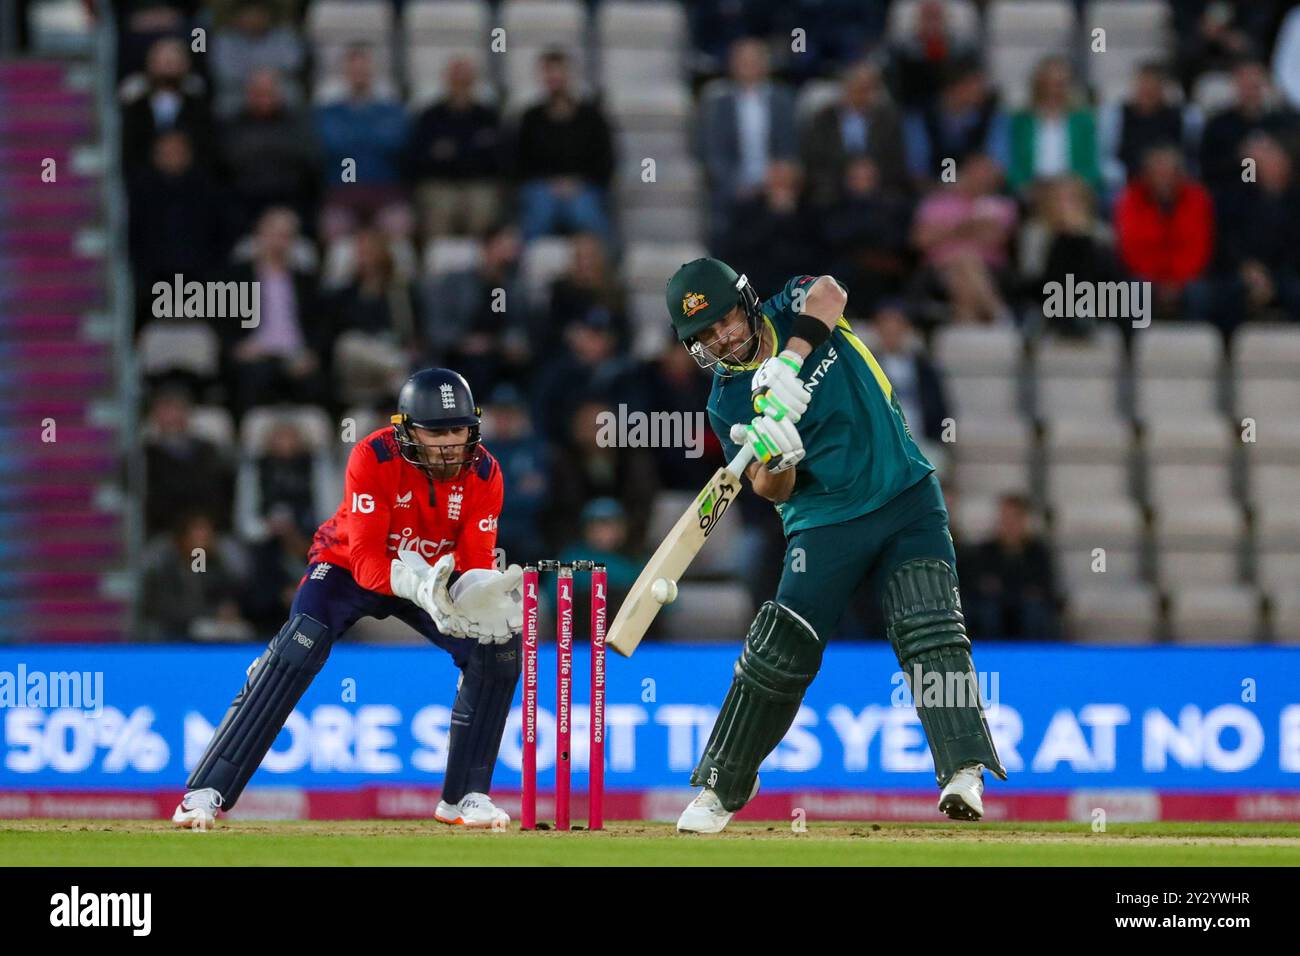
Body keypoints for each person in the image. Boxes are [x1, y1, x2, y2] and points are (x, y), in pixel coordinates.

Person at [662, 258, 1006, 833]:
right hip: (822, 523)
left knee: (929, 625)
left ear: (745, 302)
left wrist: (790, 362)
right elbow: (770, 490)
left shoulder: (791, 305)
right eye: (704, 336)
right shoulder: (727, 403)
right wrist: (777, 457)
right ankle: (721, 788)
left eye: (723, 321)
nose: (721, 338)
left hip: (904, 493)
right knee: (778, 653)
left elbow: (831, 291)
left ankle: (963, 769)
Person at [172, 369, 525, 830]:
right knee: (300, 645)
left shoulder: (485, 472)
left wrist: (476, 593)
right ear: (406, 430)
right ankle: (204, 793)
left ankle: (463, 798)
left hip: (433, 579)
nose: (449, 443)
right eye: (436, 432)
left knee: (497, 649)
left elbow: (475, 561)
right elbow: (365, 562)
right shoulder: (372, 456)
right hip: (348, 568)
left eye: (458, 430)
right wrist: (418, 587)